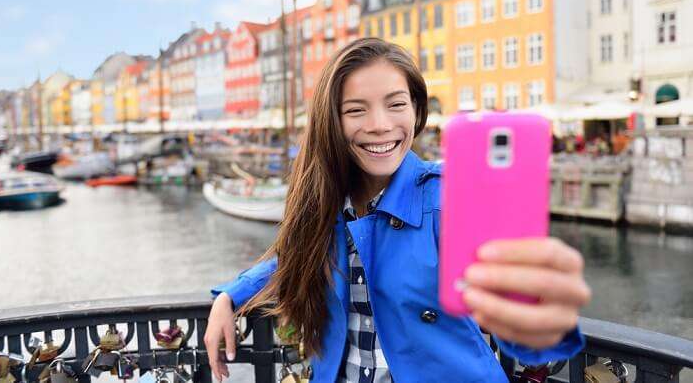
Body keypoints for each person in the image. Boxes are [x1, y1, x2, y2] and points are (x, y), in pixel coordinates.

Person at [205, 38, 591, 382]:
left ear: (415, 108)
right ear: (331, 122)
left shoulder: (449, 197)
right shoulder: (325, 203)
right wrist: (230, 296)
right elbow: (291, 255)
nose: (380, 125)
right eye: (356, 110)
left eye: (396, 105)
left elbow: (516, 305)